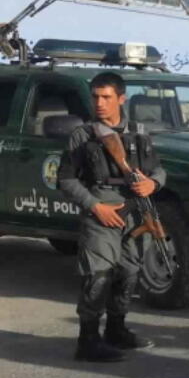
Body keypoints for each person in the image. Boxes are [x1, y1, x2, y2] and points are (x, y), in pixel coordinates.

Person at [58, 71, 166, 362]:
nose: (100, 103)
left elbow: (158, 169)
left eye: (106, 97)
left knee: (129, 271)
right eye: (95, 97)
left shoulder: (139, 132)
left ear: (121, 98)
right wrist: (95, 206)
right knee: (98, 273)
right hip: (102, 209)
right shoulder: (83, 136)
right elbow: (66, 180)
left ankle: (116, 329)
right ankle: (88, 340)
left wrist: (152, 183)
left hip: (135, 210)